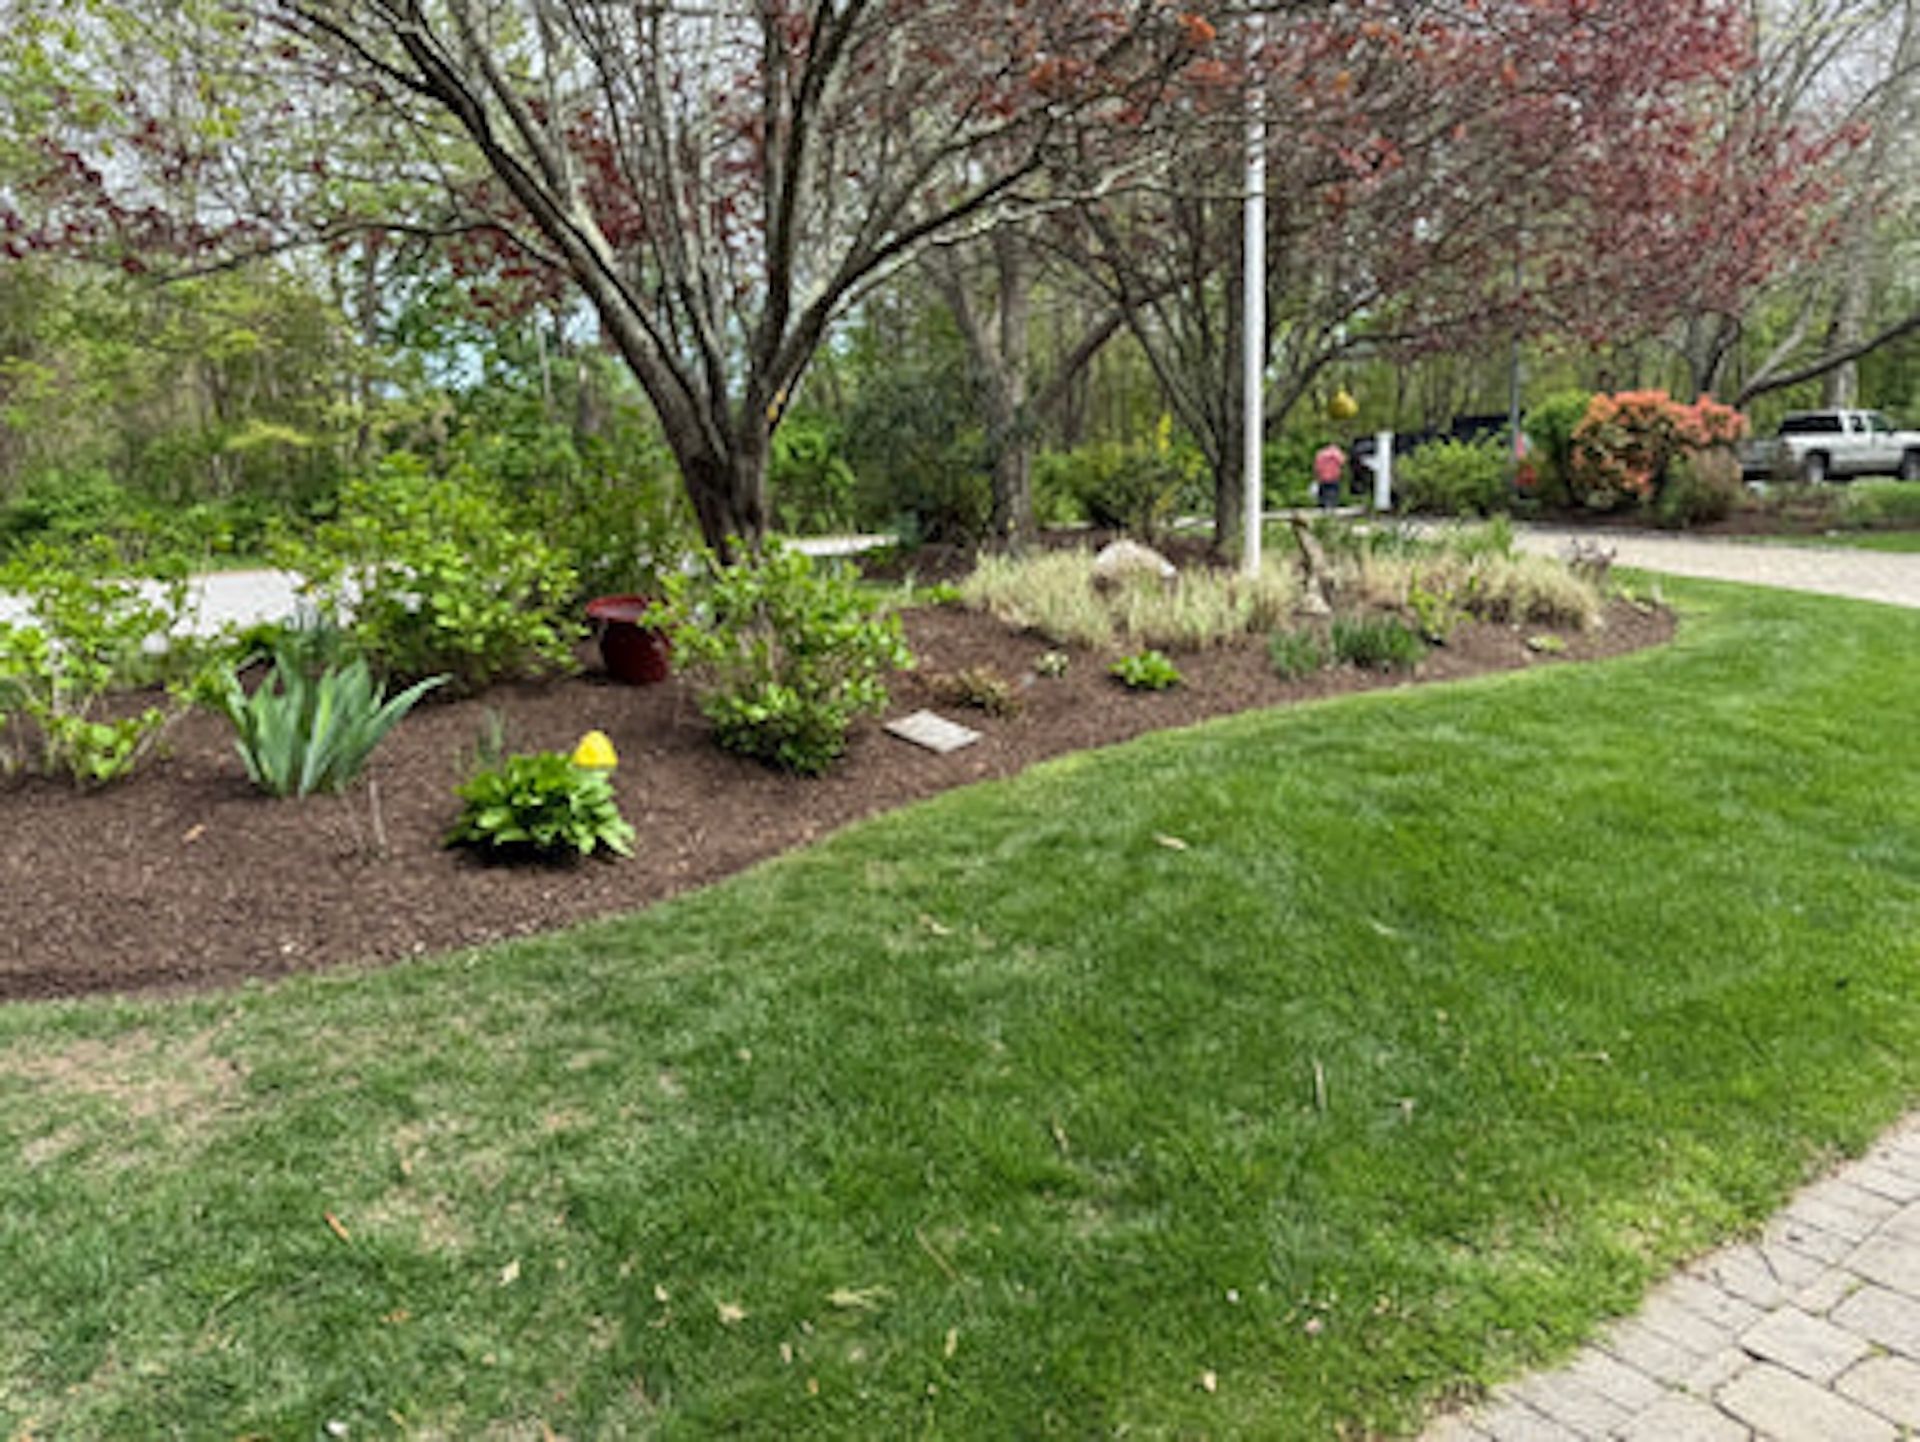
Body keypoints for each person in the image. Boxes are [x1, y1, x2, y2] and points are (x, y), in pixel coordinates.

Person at [1313, 441, 1347, 510]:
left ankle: (1323, 506)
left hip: (1323, 476)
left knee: (1323, 491)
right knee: (1333, 491)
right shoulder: (1337, 453)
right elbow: (1342, 461)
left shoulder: (1320, 454)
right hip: (1334, 476)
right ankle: (1332, 506)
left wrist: (1318, 474)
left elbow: (1317, 466)